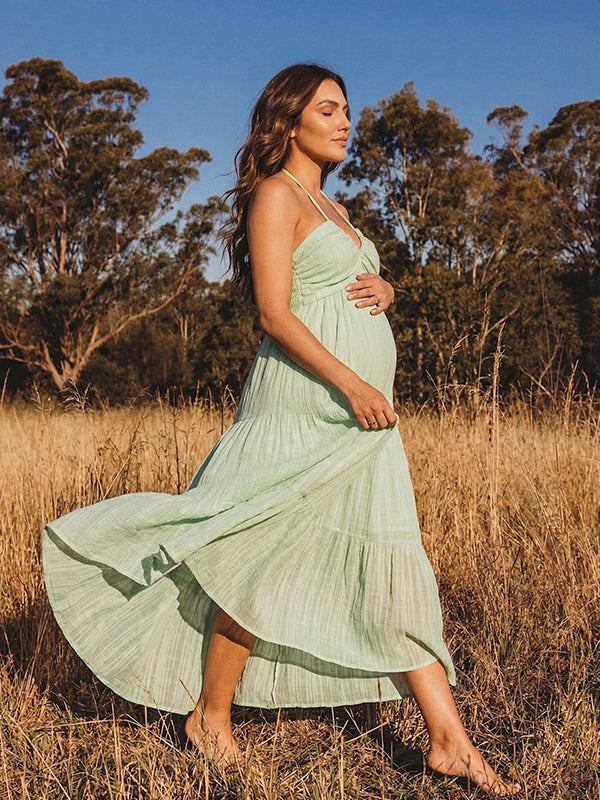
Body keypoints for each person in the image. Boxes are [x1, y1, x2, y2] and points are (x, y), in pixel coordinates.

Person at [44, 64, 520, 796]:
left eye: (348, 110)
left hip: (362, 418)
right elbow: (274, 313)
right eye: (328, 109)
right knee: (256, 550)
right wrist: (353, 382)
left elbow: (341, 287)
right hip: (307, 402)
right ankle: (210, 716)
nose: (345, 120)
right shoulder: (276, 194)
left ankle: (448, 739)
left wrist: (388, 288)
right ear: (287, 122)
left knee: (392, 559)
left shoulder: (337, 209)